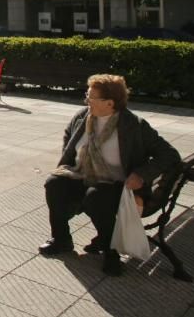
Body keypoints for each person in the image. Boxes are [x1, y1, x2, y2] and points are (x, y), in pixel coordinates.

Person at [41, 74, 180, 276]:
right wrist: (69, 165)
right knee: (54, 183)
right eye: (87, 95)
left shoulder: (134, 126)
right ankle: (61, 239)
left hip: (117, 184)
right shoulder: (82, 117)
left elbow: (170, 154)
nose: (86, 100)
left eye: (91, 97)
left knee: (96, 196)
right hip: (83, 176)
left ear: (109, 103)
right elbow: (68, 138)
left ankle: (110, 252)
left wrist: (141, 174)